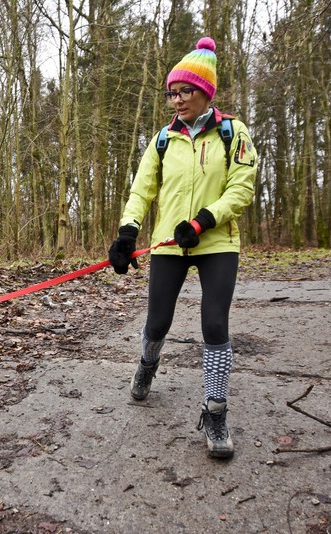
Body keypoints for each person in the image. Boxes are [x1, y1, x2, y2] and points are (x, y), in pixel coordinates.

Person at [108, 37, 258, 459]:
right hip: (168, 245)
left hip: (216, 242)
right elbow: (142, 190)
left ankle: (215, 412)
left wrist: (203, 221)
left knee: (214, 325)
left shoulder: (233, 133)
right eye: (171, 93)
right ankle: (147, 365)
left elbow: (242, 188)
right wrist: (127, 233)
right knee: (157, 324)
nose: (176, 100)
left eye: (184, 91)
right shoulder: (162, 139)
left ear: (205, 92)